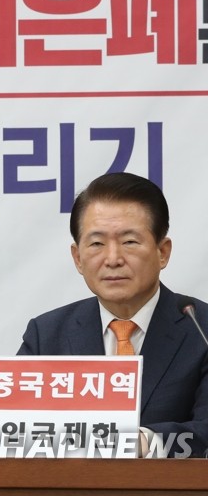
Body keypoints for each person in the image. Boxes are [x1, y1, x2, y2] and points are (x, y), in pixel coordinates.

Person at [18, 172, 208, 457]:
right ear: (78, 258)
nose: (113, 259)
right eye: (97, 243)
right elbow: (3, 431)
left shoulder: (201, 329)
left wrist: (141, 442)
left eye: (129, 241)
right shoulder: (46, 335)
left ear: (163, 252)